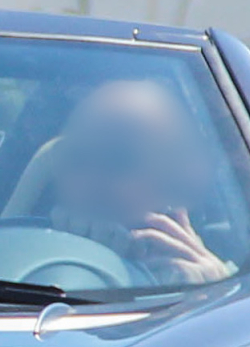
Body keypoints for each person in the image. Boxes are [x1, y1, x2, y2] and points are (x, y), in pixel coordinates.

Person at [34, 79, 239, 285]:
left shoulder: (228, 282)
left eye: (119, 162)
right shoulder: (12, 257)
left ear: (180, 188)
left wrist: (212, 287)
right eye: (74, 159)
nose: (86, 183)